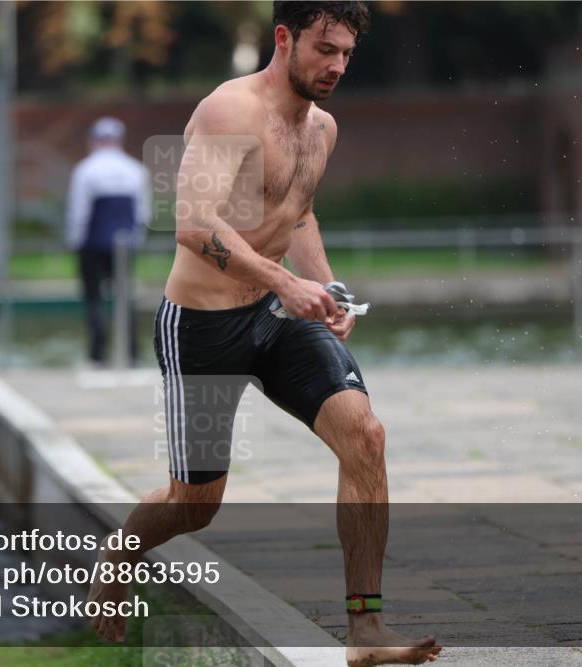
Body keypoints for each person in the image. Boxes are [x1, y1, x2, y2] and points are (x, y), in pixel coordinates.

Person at [87, 3, 442, 665]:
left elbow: (297, 214)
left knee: (365, 436)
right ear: (284, 38)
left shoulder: (323, 129)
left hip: (277, 319)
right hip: (201, 326)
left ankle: (365, 630)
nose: (336, 66)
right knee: (196, 504)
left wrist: (328, 288)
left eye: (346, 54)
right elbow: (193, 225)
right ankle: (120, 550)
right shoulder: (230, 110)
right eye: (324, 48)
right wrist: (284, 283)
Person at [65, 116, 151, 366]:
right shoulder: (136, 170)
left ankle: (97, 354)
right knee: (125, 297)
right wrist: (136, 242)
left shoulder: (85, 169)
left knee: (93, 298)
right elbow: (143, 214)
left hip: (92, 244)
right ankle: (132, 353)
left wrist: (75, 242)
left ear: (94, 141)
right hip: (124, 246)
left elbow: (78, 212)